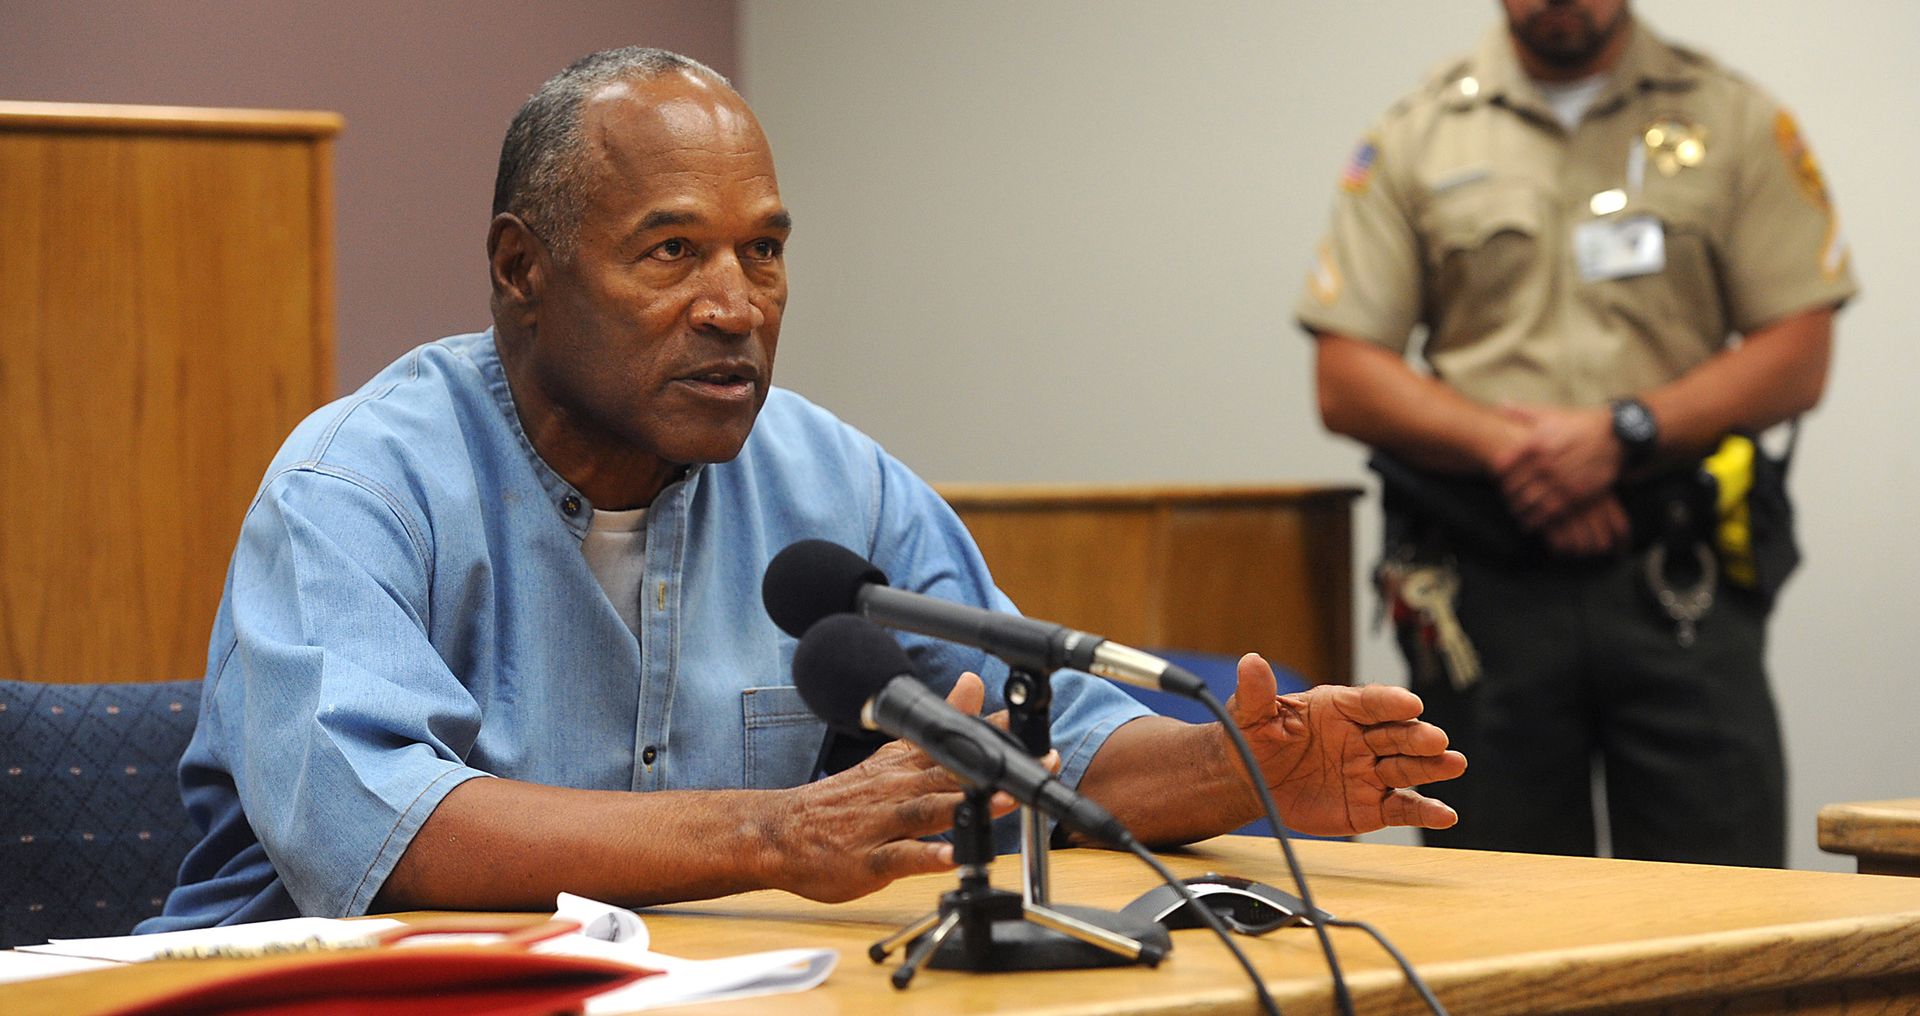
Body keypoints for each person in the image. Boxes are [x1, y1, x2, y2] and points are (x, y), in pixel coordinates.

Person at [144, 48, 1465, 931]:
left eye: (764, 251)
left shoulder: (832, 481)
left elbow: (1030, 736)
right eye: (672, 252)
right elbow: (386, 834)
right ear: (520, 268)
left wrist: (1238, 770)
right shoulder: (357, 485)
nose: (736, 308)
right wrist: (775, 834)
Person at [1298, 0, 1854, 868]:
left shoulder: (1734, 120)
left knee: (1720, 924)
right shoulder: (1418, 135)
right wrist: (1515, 451)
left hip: (1678, 584)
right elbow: (1347, 371)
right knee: (1494, 927)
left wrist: (1623, 435)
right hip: (1485, 592)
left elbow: (1798, 350)